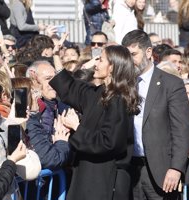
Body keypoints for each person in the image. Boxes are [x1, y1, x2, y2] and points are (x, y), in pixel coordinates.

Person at [49, 45, 140, 200]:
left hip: (105, 180)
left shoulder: (118, 100)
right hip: (89, 175)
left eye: (100, 59)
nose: (95, 64)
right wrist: (57, 56)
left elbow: (109, 142)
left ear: (112, 67)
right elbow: (71, 89)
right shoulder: (100, 93)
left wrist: (76, 126)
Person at [122, 29, 189, 200]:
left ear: (148, 52)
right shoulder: (123, 83)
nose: (130, 61)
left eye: (133, 54)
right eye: (126, 55)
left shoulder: (171, 84)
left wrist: (176, 168)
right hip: (130, 168)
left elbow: (181, 130)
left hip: (161, 171)